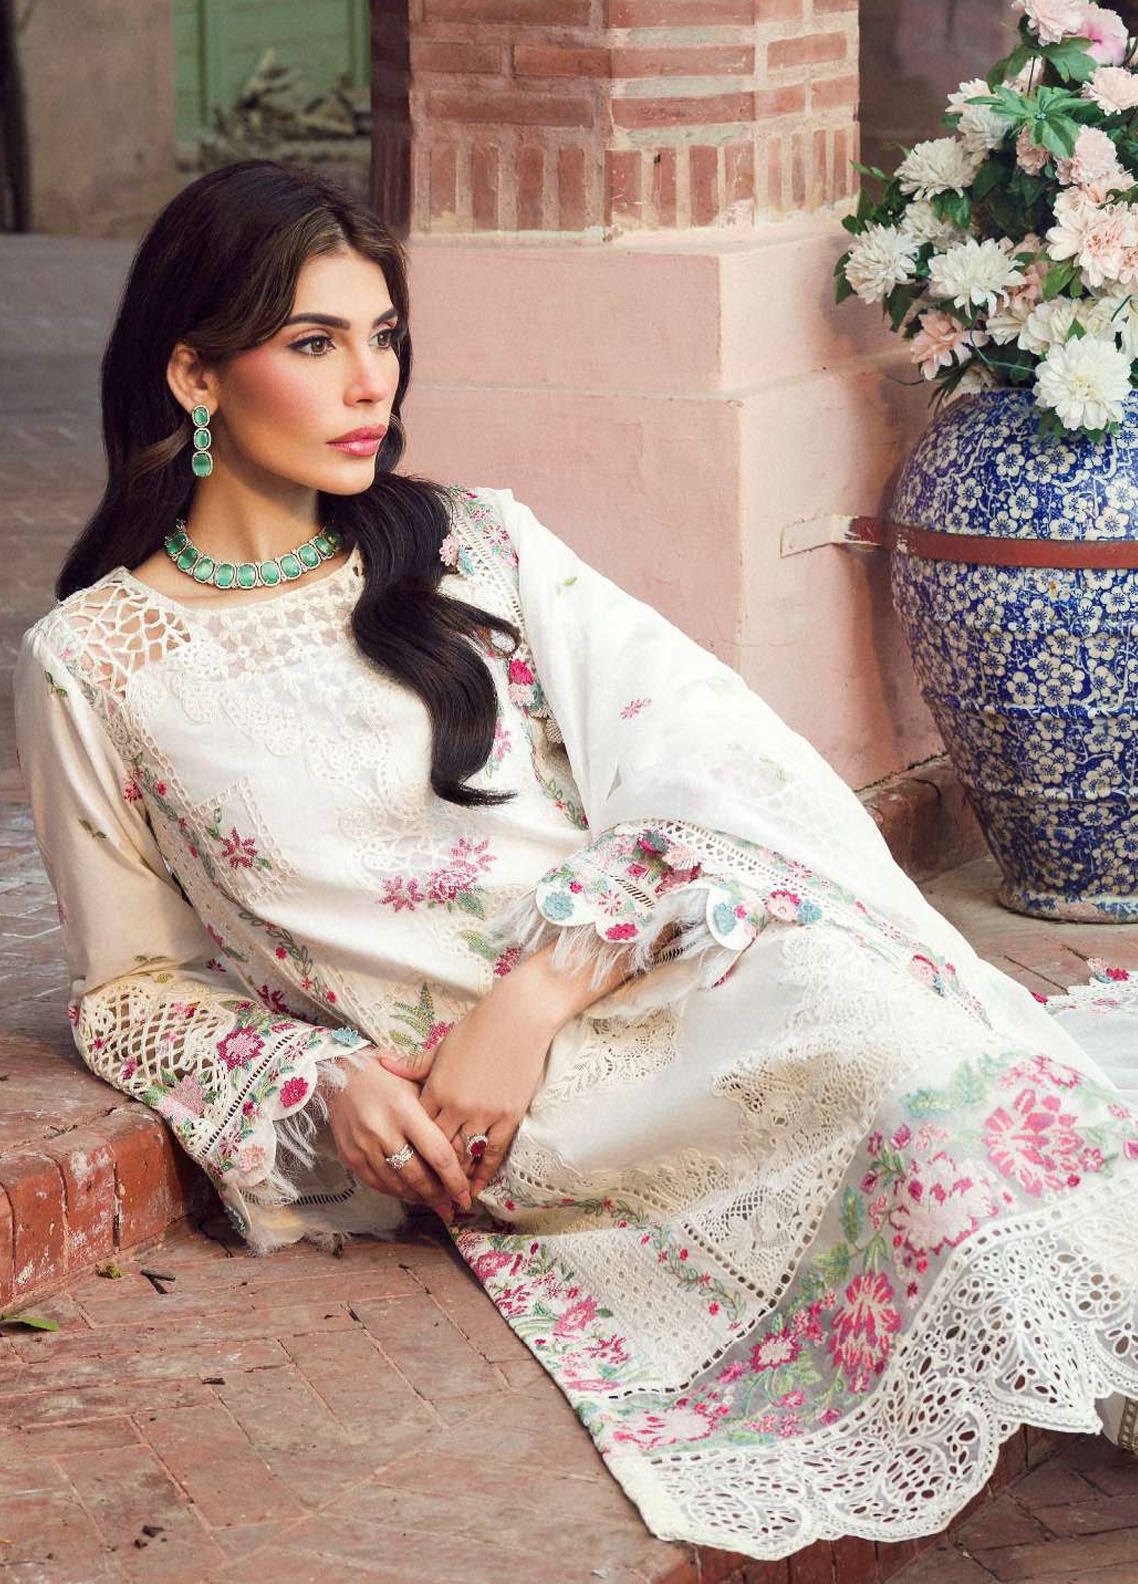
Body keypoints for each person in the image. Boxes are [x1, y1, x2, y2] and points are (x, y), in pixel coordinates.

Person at [13, 158, 1138, 1564]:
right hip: (500, 1115)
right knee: (897, 1095)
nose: (369, 384)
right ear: (195, 372)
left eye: (383, 337)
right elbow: (128, 985)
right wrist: (322, 1078)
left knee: (912, 1055)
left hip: (657, 966)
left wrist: (537, 992)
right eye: (313, 343)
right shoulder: (97, 662)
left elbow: (710, 760)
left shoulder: (477, 543)